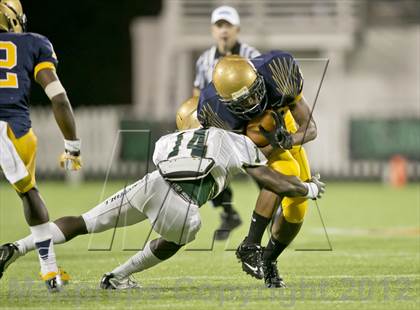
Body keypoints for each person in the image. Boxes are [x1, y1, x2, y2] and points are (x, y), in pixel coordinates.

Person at [0, 97, 325, 290]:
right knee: (180, 236)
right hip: (181, 203)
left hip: (151, 183)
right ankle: (117, 277)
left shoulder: (167, 140)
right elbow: (274, 182)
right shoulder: (235, 140)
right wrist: (308, 187)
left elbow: (171, 163)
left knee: (86, 222)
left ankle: (18, 246)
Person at [197, 53, 318, 287]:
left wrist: (288, 140)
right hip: (252, 143)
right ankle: (250, 244)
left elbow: (311, 129)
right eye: (244, 102)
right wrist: (270, 146)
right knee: (286, 173)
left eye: (254, 94)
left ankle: (268, 260)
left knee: (296, 210)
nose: (253, 103)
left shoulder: (278, 72)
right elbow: (245, 159)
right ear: (227, 104)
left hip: (287, 128)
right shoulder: (214, 111)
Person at [0, 0, 81, 292]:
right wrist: (72, 146)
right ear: (13, 18)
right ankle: (49, 273)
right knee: (29, 194)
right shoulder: (33, 43)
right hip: (12, 131)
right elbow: (58, 98)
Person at [193, 5, 260, 240]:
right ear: (213, 30)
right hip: (220, 127)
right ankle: (228, 212)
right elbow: (197, 96)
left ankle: (272, 212)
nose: (224, 30)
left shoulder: (251, 55)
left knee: (262, 172)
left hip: (250, 123)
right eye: (219, 25)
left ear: (237, 29)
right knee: (206, 168)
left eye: (228, 25)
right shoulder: (204, 61)